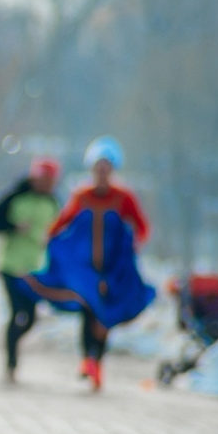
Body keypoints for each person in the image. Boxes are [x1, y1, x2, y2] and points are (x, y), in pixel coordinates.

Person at [18, 136, 154, 391]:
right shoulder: (81, 196)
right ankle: (87, 361)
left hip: (112, 270)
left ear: (112, 170)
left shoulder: (124, 198)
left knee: (104, 315)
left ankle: (96, 362)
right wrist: (50, 239)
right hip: (85, 270)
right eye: (98, 168)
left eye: (106, 169)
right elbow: (63, 223)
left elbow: (142, 227)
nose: (102, 174)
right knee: (87, 309)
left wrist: (132, 245)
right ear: (92, 169)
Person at [0, 157, 61, 382]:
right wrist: (14, 227)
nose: (46, 185)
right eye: (43, 180)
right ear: (34, 178)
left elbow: (61, 230)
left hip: (34, 268)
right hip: (9, 264)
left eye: (50, 181)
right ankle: (11, 363)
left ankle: (12, 341)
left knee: (32, 318)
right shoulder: (15, 197)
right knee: (17, 312)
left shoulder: (54, 203)